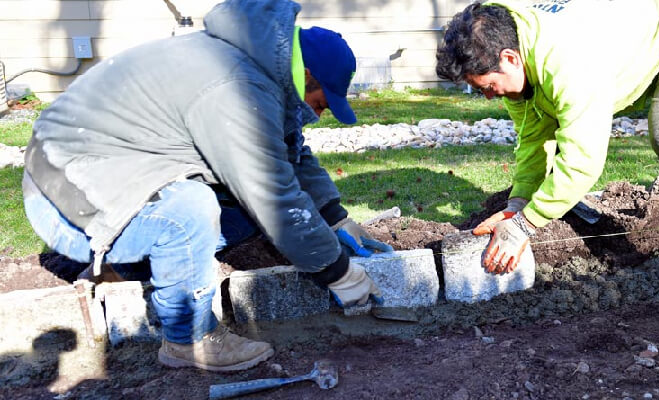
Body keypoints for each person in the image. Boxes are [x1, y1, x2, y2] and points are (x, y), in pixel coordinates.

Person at [22, 0, 391, 371]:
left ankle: (124, 271)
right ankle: (189, 339)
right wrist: (338, 273)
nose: (318, 114)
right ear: (306, 75)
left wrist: (336, 219)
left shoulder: (261, 72)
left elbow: (289, 153)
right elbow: (274, 196)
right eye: (321, 103)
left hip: (102, 179)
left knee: (240, 211)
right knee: (192, 207)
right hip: (63, 197)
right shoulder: (234, 85)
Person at [436, 0, 659, 327]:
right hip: (643, 39)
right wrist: (518, 204)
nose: (489, 97)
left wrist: (524, 225)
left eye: (487, 87)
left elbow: (582, 162)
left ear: (510, 58)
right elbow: (533, 140)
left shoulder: (567, 58)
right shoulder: (519, 59)